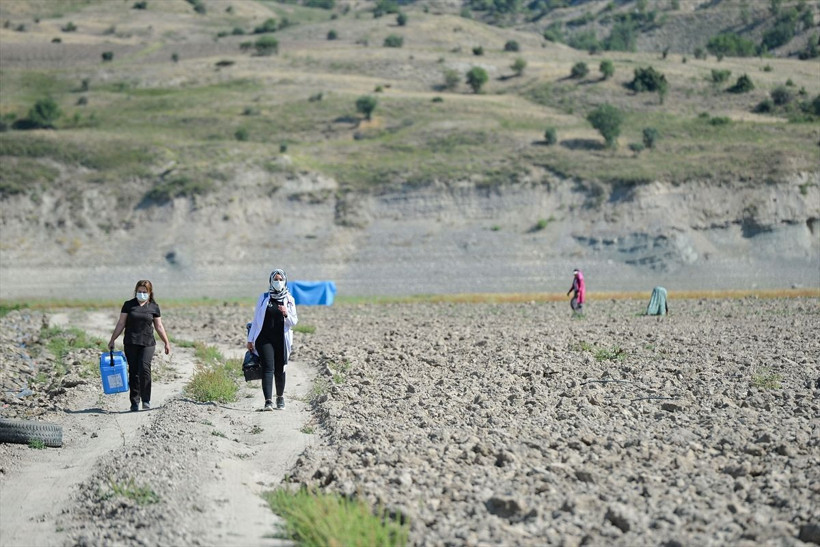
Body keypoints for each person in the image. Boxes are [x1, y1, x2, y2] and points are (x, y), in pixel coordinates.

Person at [108, 280, 171, 412]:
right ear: (136, 291)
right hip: (131, 342)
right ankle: (134, 402)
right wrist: (113, 339)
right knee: (134, 371)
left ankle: (146, 400)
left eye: (144, 292)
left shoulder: (154, 307)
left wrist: (166, 342)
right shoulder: (128, 305)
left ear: (149, 293)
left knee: (145, 368)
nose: (142, 294)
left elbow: (159, 326)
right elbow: (121, 323)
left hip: (148, 343)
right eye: (139, 291)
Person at [247, 269, 298, 411]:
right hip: (264, 339)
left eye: (280, 279)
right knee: (268, 368)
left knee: (280, 369)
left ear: (285, 281)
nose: (278, 282)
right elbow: (256, 320)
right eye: (275, 279)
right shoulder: (263, 298)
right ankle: (268, 401)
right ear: (270, 281)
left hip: (281, 339)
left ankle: (280, 397)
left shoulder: (289, 299)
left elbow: (294, 322)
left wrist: (286, 313)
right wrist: (250, 339)